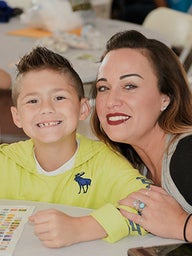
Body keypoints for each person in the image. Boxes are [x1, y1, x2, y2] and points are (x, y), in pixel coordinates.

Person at [0, 46, 151, 248]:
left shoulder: (106, 163)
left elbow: (151, 207)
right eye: (33, 100)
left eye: (59, 97)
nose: (46, 108)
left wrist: (81, 227)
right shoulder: (5, 162)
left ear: (83, 108)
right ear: (17, 116)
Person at [91, 30, 192, 242]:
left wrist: (183, 225)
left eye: (130, 86)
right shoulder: (130, 159)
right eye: (103, 87)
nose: (111, 101)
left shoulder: (187, 154)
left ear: (166, 98)